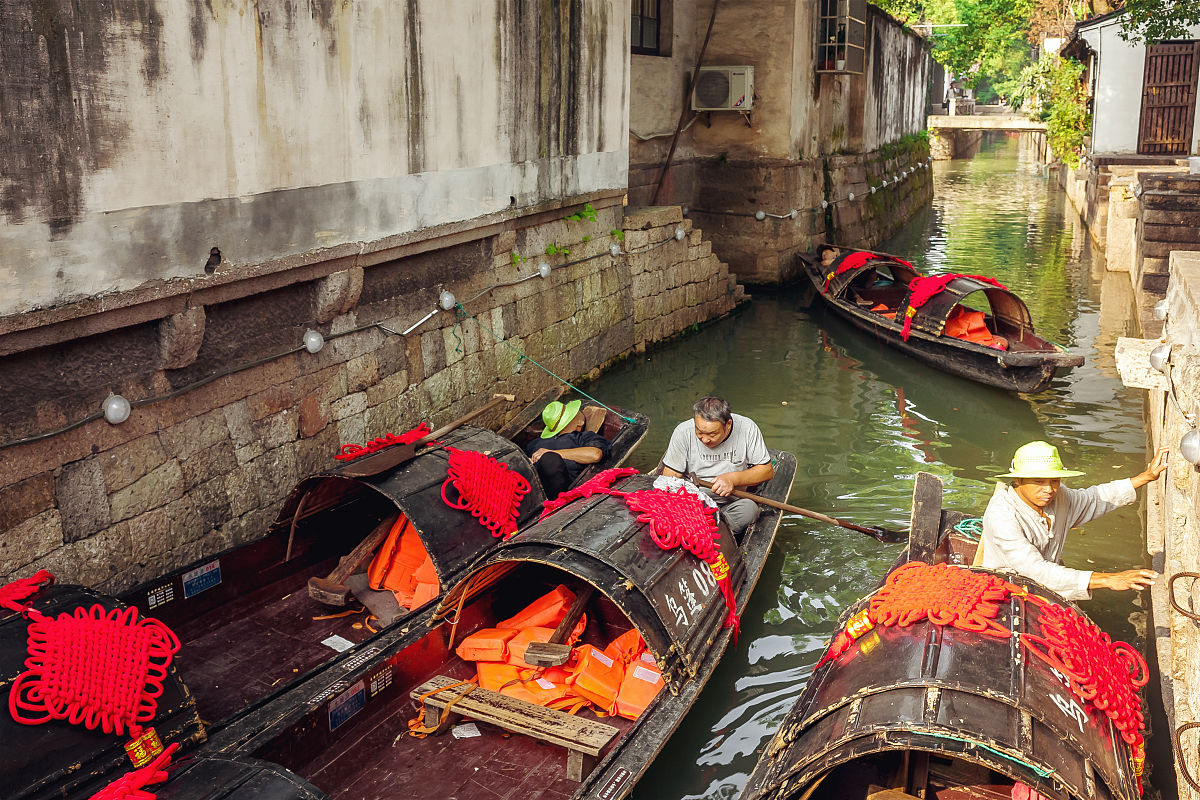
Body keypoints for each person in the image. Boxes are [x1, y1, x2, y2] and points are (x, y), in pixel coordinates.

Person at [977, 441, 1168, 601]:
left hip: (1047, 581)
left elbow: (1094, 498)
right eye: (1038, 481)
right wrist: (1108, 579)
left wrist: (1145, 477)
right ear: (1018, 480)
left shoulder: (1060, 497)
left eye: (1054, 481)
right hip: (1008, 589)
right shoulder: (1002, 515)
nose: (1049, 489)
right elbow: (1033, 569)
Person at [661, 396, 774, 534]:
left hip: (730, 503)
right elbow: (670, 476)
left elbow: (766, 471)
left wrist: (733, 479)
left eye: (712, 434)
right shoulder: (683, 432)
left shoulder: (747, 428)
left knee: (750, 509)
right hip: (693, 503)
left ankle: (712, 531)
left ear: (728, 425)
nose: (705, 439)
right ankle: (706, 528)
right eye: (699, 432)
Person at [525, 399, 610, 500]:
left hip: (558, 487)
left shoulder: (582, 437)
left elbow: (595, 454)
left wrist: (552, 452)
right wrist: (526, 462)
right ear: (580, 422)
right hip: (532, 489)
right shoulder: (535, 443)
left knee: (550, 459)